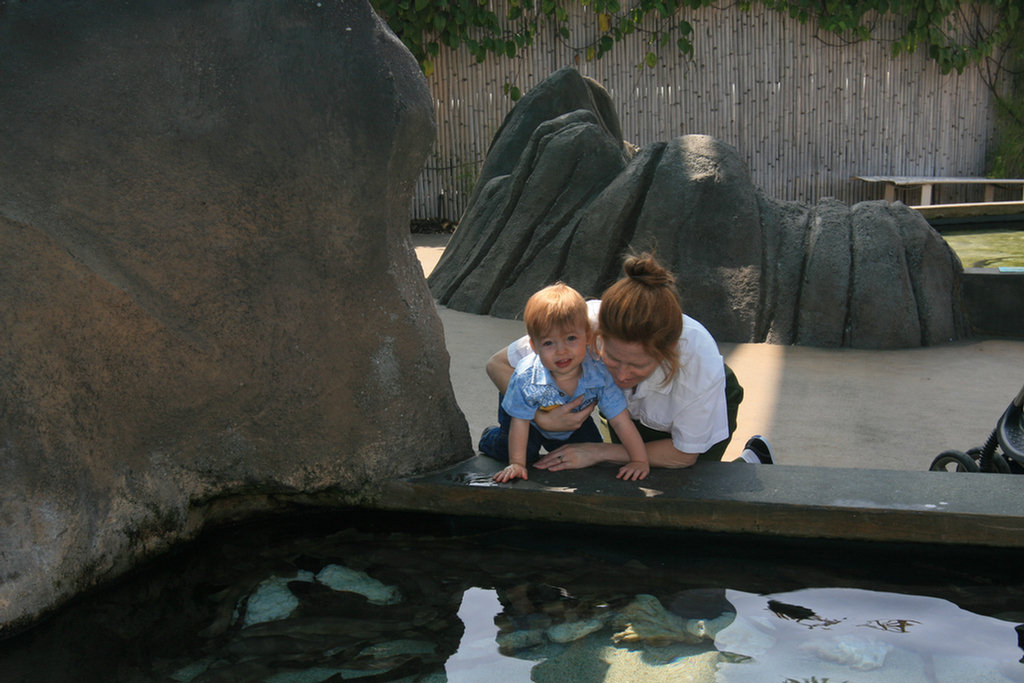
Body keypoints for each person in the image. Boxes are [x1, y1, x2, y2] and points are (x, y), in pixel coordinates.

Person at [485, 252, 774, 471]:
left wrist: (595, 451)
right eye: (611, 358)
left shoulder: (698, 362)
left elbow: (683, 454)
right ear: (596, 335)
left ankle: (752, 460)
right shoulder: (585, 323)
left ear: (667, 351)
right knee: (623, 472)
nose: (621, 376)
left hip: (697, 405)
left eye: (637, 366)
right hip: (630, 411)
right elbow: (498, 364)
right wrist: (541, 417)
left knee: (690, 480)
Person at [480, 283, 650, 483]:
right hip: (528, 419)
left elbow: (621, 421)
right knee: (521, 453)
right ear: (534, 346)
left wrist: (639, 460)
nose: (561, 351)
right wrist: (517, 463)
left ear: (587, 336)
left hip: (573, 422)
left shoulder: (598, 373)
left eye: (570, 338)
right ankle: (490, 437)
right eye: (549, 343)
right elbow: (520, 421)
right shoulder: (526, 376)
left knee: (591, 456)